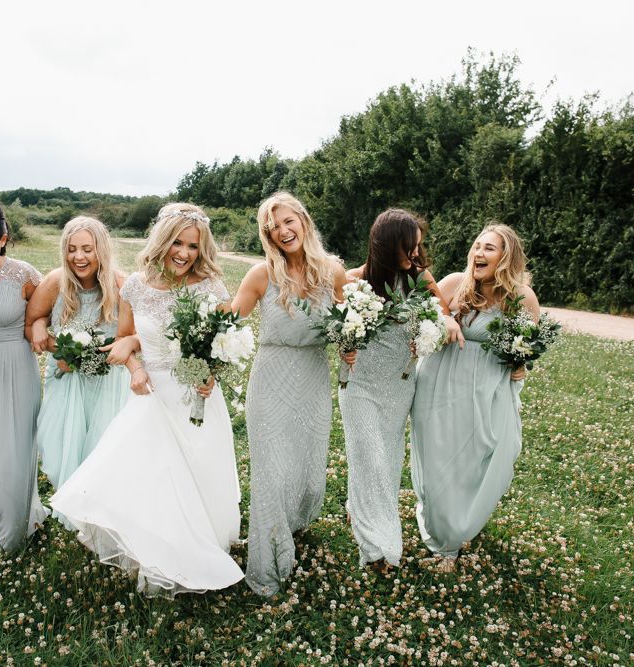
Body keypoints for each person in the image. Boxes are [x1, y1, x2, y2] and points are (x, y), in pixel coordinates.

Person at [51, 203, 243, 597]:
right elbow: (125, 339)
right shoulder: (136, 285)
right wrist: (135, 369)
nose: (184, 253)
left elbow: (225, 341)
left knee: (199, 471)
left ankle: (200, 545)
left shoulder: (210, 286)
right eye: (178, 242)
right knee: (153, 476)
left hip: (195, 394)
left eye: (193, 245)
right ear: (163, 239)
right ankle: (157, 552)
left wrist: (211, 374)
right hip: (150, 393)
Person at [230, 191, 348, 596]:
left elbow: (347, 327)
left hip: (313, 378)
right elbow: (228, 322)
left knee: (309, 476)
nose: (282, 232)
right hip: (271, 378)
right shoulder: (261, 274)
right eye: (273, 228)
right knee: (271, 474)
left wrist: (349, 344)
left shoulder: (333, 272)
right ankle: (266, 564)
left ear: (303, 221)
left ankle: (291, 523)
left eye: (287, 222)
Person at [338, 209, 463, 570]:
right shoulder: (353, 281)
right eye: (408, 248)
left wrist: (428, 335)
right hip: (358, 383)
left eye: (418, 247)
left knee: (386, 461)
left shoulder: (420, 279)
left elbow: (442, 317)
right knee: (369, 456)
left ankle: (360, 509)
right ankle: (379, 548)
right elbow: (337, 330)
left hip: (398, 386)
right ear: (386, 245)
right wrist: (343, 345)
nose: (414, 255)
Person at [410, 223, 538, 572]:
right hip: (440, 385)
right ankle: (446, 545)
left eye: (489, 248)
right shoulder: (453, 284)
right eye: (477, 246)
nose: (479, 253)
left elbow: (528, 346)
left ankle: (461, 519)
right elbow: (423, 318)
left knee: (481, 457)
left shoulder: (521, 298)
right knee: (439, 460)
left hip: (487, 391)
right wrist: (442, 318)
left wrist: (522, 365)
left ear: (505, 257)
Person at [26, 217, 132, 507]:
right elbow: (31, 323)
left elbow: (130, 338)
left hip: (108, 381)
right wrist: (49, 341)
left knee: (103, 448)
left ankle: (100, 509)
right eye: (72, 249)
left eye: (87, 249)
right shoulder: (55, 282)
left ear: (102, 250)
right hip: (66, 377)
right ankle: (73, 505)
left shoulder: (121, 285)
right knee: (61, 445)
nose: (78, 257)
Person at [0, 202, 48, 554]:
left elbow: (50, 314)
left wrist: (39, 323)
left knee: (9, 454)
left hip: (13, 370)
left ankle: (8, 535)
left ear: (2, 239)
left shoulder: (24, 275)